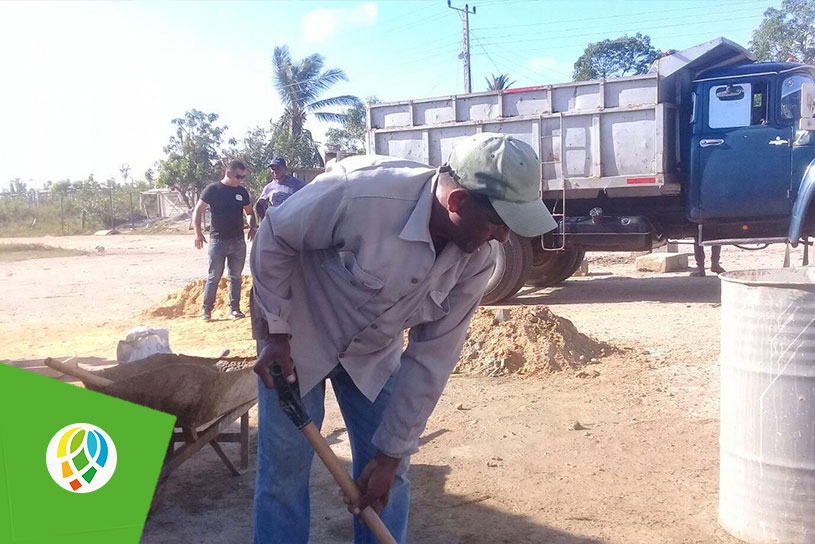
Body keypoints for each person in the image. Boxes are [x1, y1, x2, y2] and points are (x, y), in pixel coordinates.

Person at [249, 133, 557, 544]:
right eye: (497, 223)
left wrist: (392, 452)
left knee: (388, 476)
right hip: (296, 338)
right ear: (457, 203)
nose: (502, 238)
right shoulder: (357, 192)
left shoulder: (477, 260)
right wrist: (275, 333)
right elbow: (274, 238)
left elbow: (434, 355)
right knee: (283, 473)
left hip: (373, 355)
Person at [193, 160, 257, 321]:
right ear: (228, 174)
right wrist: (198, 233)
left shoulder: (242, 192)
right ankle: (207, 310)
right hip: (218, 241)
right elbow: (198, 211)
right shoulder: (213, 190)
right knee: (214, 276)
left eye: (243, 177)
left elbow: (249, 212)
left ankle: (234, 309)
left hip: (238, 241)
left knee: (236, 276)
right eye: (238, 176)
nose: (240, 180)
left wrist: (252, 226)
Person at [255, 157, 306, 222]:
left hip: (294, 222)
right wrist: (264, 219)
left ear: (285, 169)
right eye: (273, 168)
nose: (275, 171)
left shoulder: (297, 184)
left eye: (278, 168)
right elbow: (259, 205)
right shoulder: (268, 188)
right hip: (277, 224)